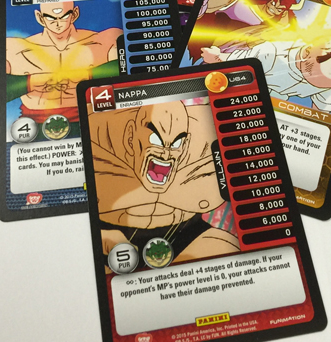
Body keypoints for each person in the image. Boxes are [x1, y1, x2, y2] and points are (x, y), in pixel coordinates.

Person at [88, 100, 240, 264]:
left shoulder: (205, 136)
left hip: (184, 232)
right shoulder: (99, 135)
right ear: (131, 136)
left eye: (176, 143)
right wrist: (96, 235)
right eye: (156, 140)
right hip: (111, 235)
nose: (165, 154)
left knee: (223, 246)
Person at [6, 1, 122, 137]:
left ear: (75, 14)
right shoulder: (14, 48)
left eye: (64, 16)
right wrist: (32, 81)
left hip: (95, 120)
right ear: (39, 17)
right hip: (34, 127)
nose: (58, 23)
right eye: (50, 18)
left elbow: (129, 73)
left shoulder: (105, 41)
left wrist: (87, 76)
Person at [202, 34, 331, 113]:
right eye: (313, 78)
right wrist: (217, 57)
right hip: (255, 83)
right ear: (307, 53)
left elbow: (321, 110)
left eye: (321, 85)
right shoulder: (271, 54)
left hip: (277, 99)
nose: (315, 85)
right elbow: (238, 62)